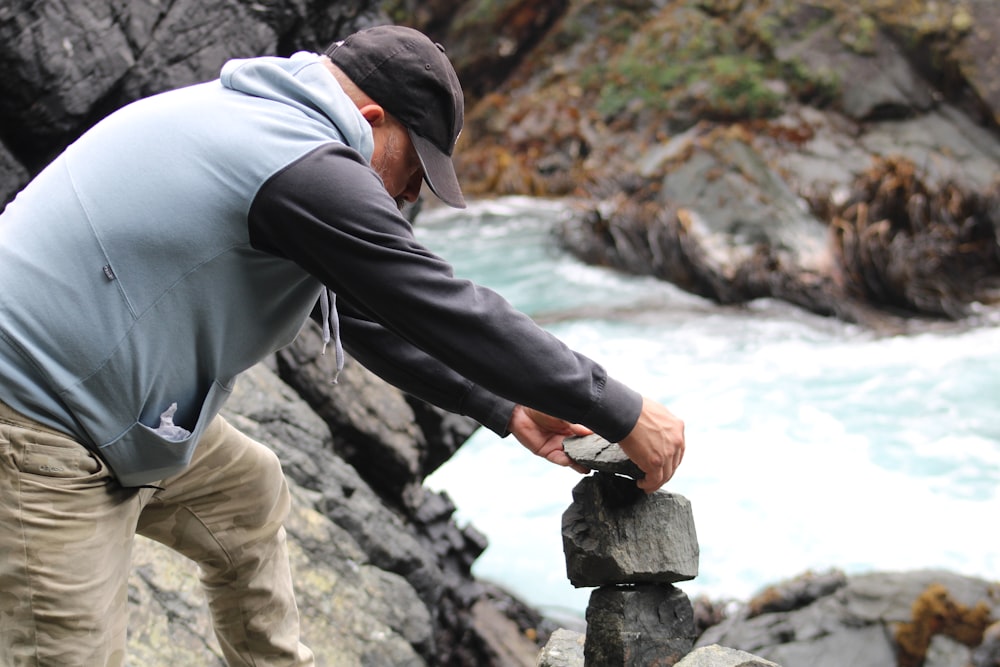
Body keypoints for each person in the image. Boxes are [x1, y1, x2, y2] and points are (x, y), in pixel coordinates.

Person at [0, 24, 685, 666]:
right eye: (414, 170)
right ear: (373, 119)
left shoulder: (269, 122)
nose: (411, 194)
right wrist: (621, 408)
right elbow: (440, 304)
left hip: (110, 397)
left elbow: (365, 316)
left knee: (246, 495)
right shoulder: (299, 163)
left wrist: (502, 404)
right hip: (38, 420)